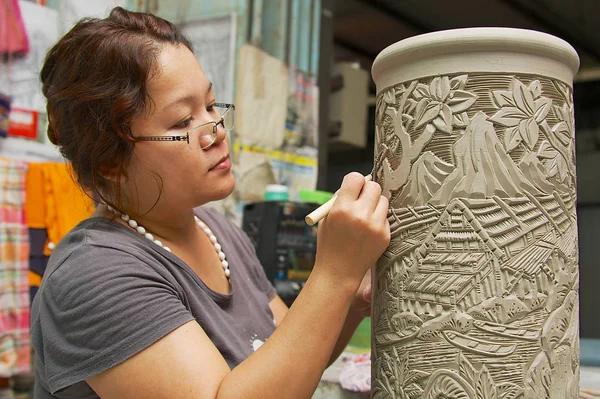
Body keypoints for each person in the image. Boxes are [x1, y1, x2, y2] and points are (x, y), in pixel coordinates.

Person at [30, 7, 390, 399]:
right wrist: (334, 273)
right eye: (183, 121)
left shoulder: (216, 230)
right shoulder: (94, 275)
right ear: (110, 162)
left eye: (211, 104)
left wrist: (351, 300)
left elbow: (288, 361)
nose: (216, 130)